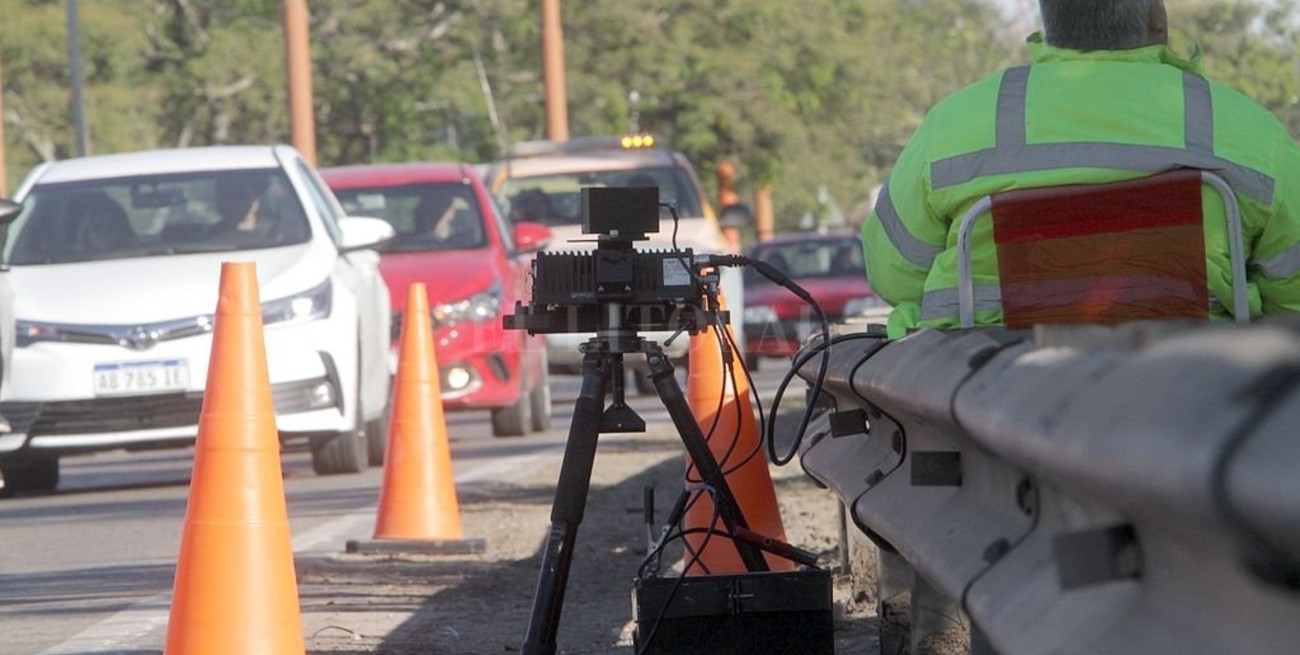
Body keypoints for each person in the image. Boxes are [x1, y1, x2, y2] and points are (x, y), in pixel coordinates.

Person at [862, 0, 1300, 339]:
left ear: (1050, 20)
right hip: (1191, 406)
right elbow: (1294, 295)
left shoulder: (955, 124)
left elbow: (893, 274)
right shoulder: (1248, 131)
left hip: (995, 409)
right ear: (1156, 17)